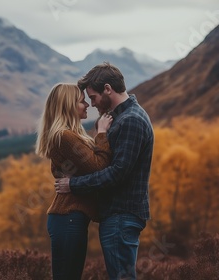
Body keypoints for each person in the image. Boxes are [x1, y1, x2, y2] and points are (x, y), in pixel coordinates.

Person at [55, 63, 154, 280]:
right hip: (117, 215)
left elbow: (117, 173)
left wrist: (73, 185)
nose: (91, 104)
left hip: (121, 214)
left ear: (107, 89)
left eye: (93, 97)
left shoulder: (131, 121)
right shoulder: (121, 118)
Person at [35, 83, 114, 280]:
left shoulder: (69, 135)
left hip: (69, 218)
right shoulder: (65, 136)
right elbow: (98, 167)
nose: (87, 104)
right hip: (68, 218)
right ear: (68, 105)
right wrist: (102, 134)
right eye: (81, 101)